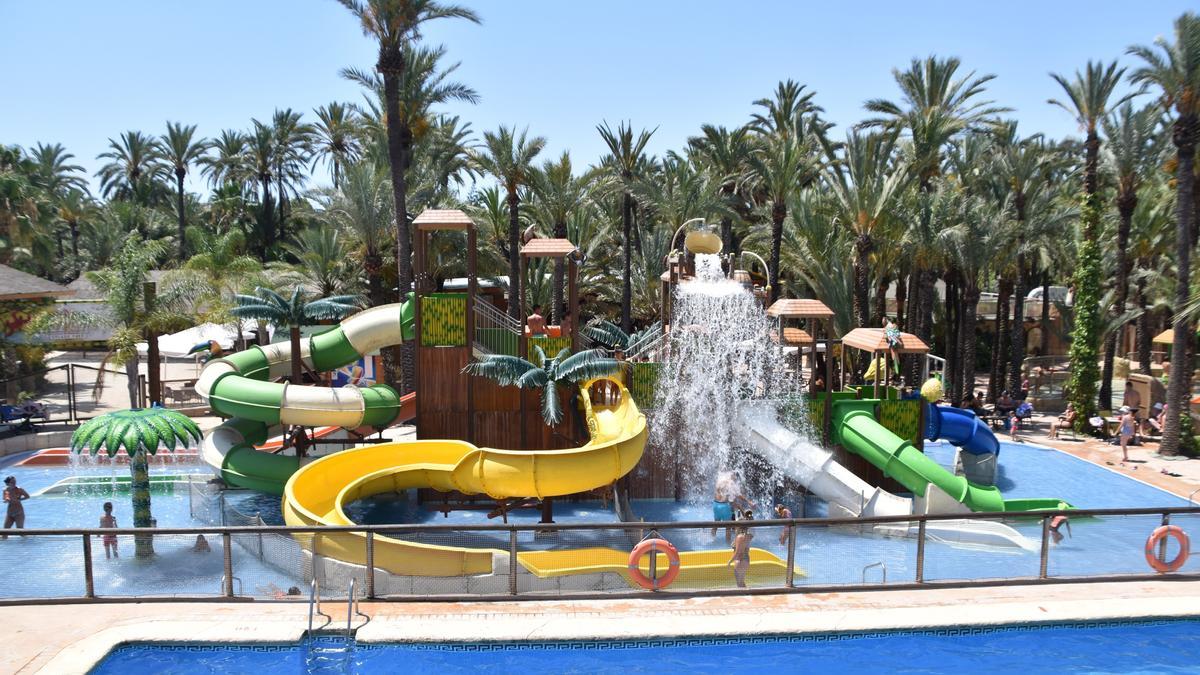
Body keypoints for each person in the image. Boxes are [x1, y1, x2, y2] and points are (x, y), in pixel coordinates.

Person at [712, 473, 754, 545]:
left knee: (716, 524)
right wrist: (748, 501)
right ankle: (728, 545)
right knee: (728, 527)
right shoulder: (731, 483)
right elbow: (738, 495)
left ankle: (712, 540)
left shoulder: (720, 480)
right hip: (724, 506)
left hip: (715, 505)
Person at [727, 510, 755, 589]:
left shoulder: (740, 537)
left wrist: (730, 561)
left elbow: (737, 552)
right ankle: (746, 594)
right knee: (741, 581)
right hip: (746, 559)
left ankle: (745, 595)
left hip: (740, 560)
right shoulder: (748, 535)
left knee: (739, 582)